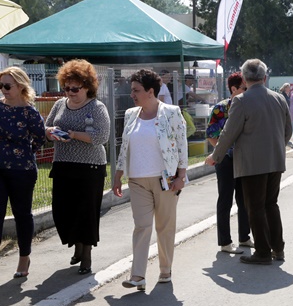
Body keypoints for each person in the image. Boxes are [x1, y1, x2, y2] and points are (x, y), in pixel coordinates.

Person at [205, 59, 292, 265]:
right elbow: (288, 130)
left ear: (244, 79)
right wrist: (275, 148)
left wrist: (215, 156)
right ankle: (278, 248)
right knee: (271, 204)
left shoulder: (241, 101)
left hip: (252, 164)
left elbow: (228, 133)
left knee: (255, 207)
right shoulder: (279, 98)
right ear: (264, 77)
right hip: (275, 160)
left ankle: (262, 252)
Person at [113, 69, 188, 290]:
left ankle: (165, 269)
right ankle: (138, 275)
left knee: (165, 227)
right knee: (141, 226)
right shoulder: (130, 114)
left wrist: (182, 175)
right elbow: (124, 146)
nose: (132, 95)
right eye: (132, 90)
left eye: (136, 90)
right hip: (137, 180)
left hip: (165, 180)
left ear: (150, 91)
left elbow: (182, 144)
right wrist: (118, 174)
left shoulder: (171, 112)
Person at [45, 59, 110, 275]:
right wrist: (51, 132)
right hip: (63, 164)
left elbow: (102, 136)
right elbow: (47, 128)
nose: (70, 93)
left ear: (87, 87)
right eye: (66, 88)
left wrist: (73, 135)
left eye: (75, 88)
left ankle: (86, 254)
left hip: (90, 167)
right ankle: (77, 245)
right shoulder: (59, 104)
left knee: (86, 212)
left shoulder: (97, 107)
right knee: (63, 211)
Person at [0, 67, 45, 278]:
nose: (3, 89)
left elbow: (40, 138)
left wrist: (24, 153)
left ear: (20, 86)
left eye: (7, 86)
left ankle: (24, 258)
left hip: (22, 171)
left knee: (22, 214)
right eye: (1, 85)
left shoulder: (30, 112)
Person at [206, 72, 253, 254]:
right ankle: (225, 242)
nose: (246, 91)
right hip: (226, 160)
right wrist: (222, 152)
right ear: (233, 89)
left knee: (244, 199)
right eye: (244, 88)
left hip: (244, 159)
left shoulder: (248, 106)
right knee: (225, 200)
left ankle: (244, 237)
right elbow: (211, 134)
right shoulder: (221, 108)